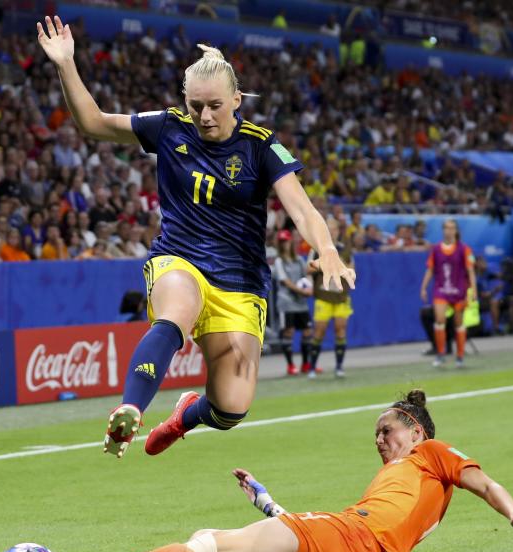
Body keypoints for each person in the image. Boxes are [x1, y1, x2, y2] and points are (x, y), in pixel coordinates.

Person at [36, 16, 355, 458]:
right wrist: (66, 64)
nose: (204, 116)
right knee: (176, 309)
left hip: (240, 282)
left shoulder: (261, 145)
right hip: (179, 259)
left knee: (232, 407)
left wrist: (329, 251)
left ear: (237, 100)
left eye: (215, 106)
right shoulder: (168, 126)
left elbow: (301, 208)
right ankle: (130, 408)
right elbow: (92, 123)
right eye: (195, 105)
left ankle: (186, 415)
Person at [27, 390, 513, 552]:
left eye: (386, 430)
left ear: (414, 429)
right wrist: (266, 503)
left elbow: (483, 482)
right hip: (355, 550)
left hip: (352, 537)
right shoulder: (403, 480)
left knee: (209, 544)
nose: (379, 440)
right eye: (375, 434)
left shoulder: (430, 454)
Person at [420, 219, 476, 368]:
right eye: (446, 228)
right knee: (439, 319)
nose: (448, 231)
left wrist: (474, 290)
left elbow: (470, 271)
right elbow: (430, 269)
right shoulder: (437, 249)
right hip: (441, 289)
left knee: (459, 322)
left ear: (456, 231)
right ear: (443, 230)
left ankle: (460, 356)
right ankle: (440, 354)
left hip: (459, 290)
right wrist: (424, 287)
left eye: (451, 228)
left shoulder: (464, 249)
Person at [306, 218, 354, 378]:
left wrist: (340, 264)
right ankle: (312, 368)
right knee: (319, 331)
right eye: (329, 229)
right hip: (324, 295)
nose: (332, 232)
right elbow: (308, 268)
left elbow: (352, 269)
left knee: (340, 330)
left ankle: (339, 367)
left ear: (338, 231)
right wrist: (324, 264)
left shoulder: (345, 248)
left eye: (334, 229)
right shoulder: (317, 248)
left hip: (341, 295)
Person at [272, 229, 312, 375]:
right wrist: (302, 291)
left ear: (290, 242)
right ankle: (290, 365)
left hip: (301, 303)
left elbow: (306, 275)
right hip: (286, 302)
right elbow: (285, 281)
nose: (285, 245)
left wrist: (309, 286)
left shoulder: (299, 260)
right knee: (289, 331)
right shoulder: (278, 261)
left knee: (307, 331)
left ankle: (306, 363)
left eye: (286, 241)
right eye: (282, 242)